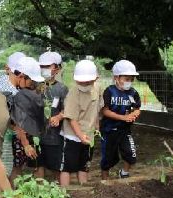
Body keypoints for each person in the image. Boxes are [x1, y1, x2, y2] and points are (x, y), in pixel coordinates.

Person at [60, 60, 103, 187]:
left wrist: (96, 126)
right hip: (72, 136)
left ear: (95, 78)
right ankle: (64, 193)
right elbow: (72, 119)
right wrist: (80, 136)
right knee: (67, 166)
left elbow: (97, 109)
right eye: (80, 81)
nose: (83, 84)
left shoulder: (97, 89)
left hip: (88, 135)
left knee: (84, 165)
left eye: (87, 82)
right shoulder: (73, 94)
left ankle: (84, 190)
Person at [100, 59, 141, 180]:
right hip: (109, 131)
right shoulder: (109, 91)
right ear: (117, 78)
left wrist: (134, 114)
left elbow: (138, 108)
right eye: (126, 79)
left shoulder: (133, 93)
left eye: (131, 79)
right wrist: (123, 117)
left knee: (130, 154)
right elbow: (105, 111)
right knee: (108, 158)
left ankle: (124, 172)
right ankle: (104, 180)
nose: (129, 82)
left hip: (125, 131)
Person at [9, 56, 46, 183]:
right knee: (16, 168)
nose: (32, 83)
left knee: (33, 165)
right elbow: (18, 122)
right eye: (31, 80)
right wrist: (26, 144)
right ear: (22, 76)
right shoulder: (15, 93)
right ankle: (9, 197)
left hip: (27, 136)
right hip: (20, 138)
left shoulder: (21, 91)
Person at [0, 52, 26, 179]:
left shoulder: (2, 80)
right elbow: (14, 121)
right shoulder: (11, 91)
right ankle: (5, 195)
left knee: (7, 165)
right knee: (6, 167)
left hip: (2, 132)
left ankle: (7, 193)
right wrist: (25, 142)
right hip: (5, 134)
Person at [38, 51, 68, 181]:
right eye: (42, 66)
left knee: (56, 166)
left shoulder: (62, 89)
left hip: (54, 136)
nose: (44, 69)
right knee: (39, 165)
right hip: (37, 134)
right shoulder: (34, 86)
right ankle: (38, 192)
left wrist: (58, 117)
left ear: (57, 69)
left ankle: (58, 192)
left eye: (48, 66)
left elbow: (67, 109)